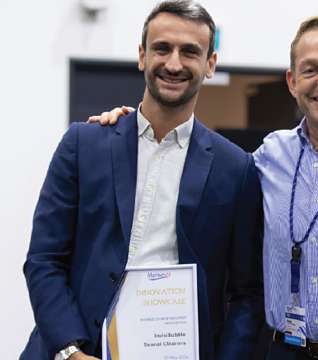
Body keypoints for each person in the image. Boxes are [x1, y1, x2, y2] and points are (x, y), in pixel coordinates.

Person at [91, 14, 318, 360]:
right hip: (283, 351)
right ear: (292, 82)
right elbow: (196, 169)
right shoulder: (269, 156)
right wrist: (135, 129)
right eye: (311, 69)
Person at [21, 1, 263, 359]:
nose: (174, 63)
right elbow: (44, 259)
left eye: (190, 52)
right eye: (162, 48)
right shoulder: (83, 144)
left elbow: (246, 293)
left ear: (210, 64)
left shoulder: (236, 168)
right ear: (141, 56)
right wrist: (70, 351)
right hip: (73, 350)